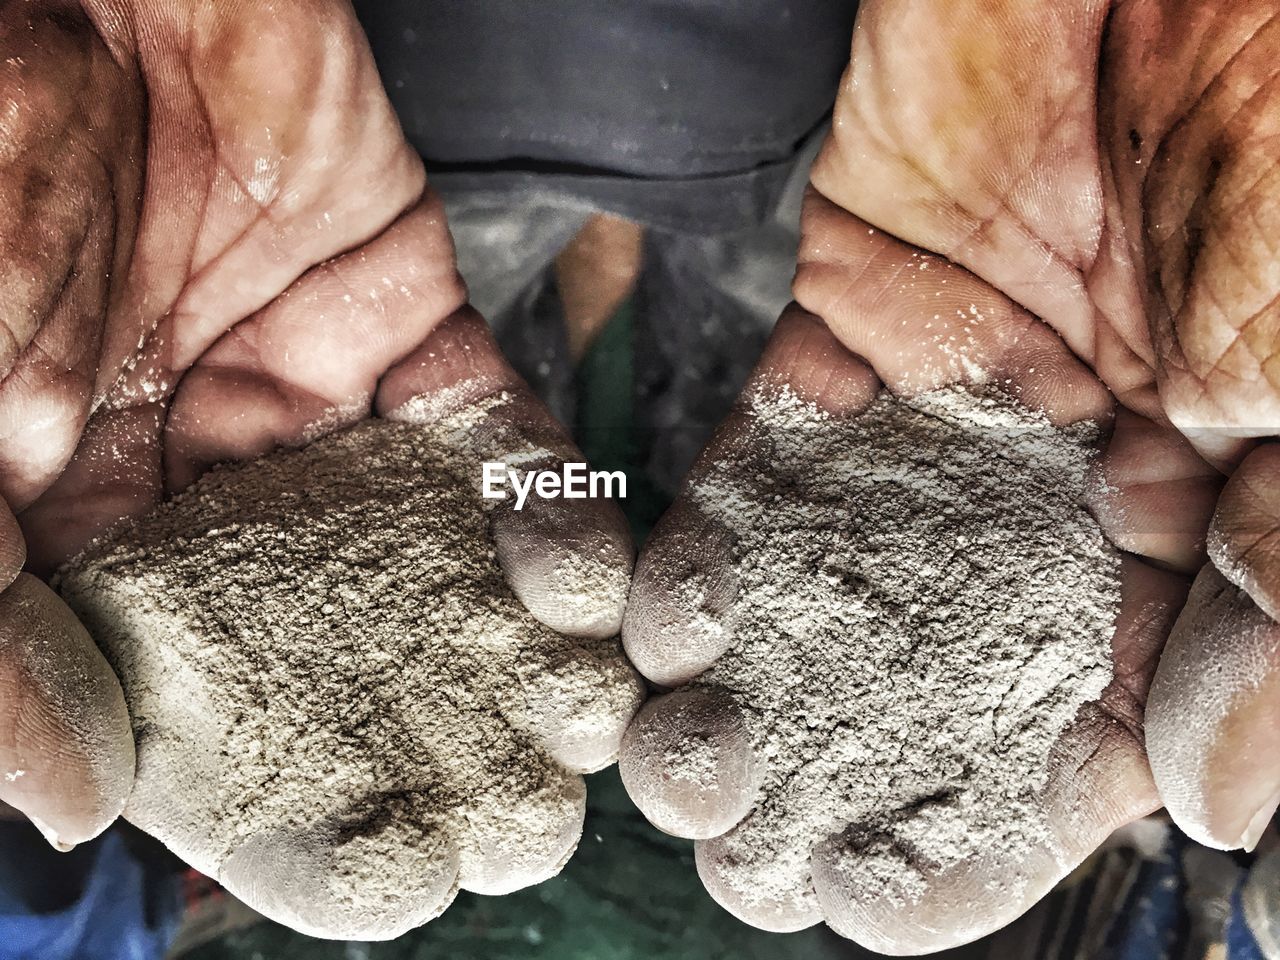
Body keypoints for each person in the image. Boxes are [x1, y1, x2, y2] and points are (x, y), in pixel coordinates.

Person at [0, 0, 1276, 954]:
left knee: (728, 314)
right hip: (306, 123)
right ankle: (617, 378)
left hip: (927, 109)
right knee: (486, 383)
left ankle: (677, 376)